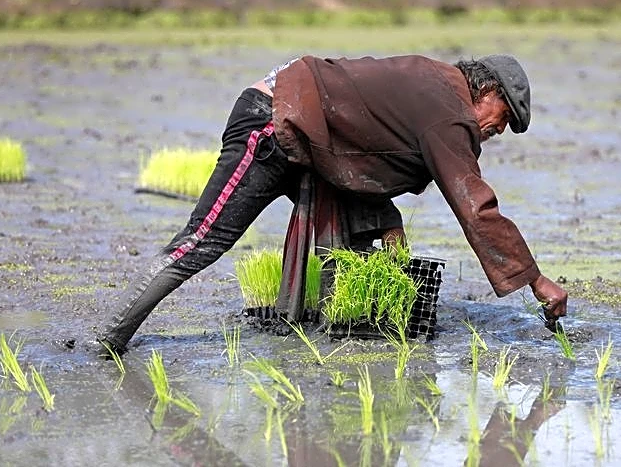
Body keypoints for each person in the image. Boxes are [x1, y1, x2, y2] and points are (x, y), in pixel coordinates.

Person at [97, 53, 568, 355]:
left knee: (354, 244)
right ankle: (110, 338)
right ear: (487, 92)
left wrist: (388, 218)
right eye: (503, 118)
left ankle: (316, 336)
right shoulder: (449, 111)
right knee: (204, 241)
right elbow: (475, 206)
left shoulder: (435, 86)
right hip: (272, 123)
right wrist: (534, 279)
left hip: (310, 141)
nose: (498, 130)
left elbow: (366, 149)